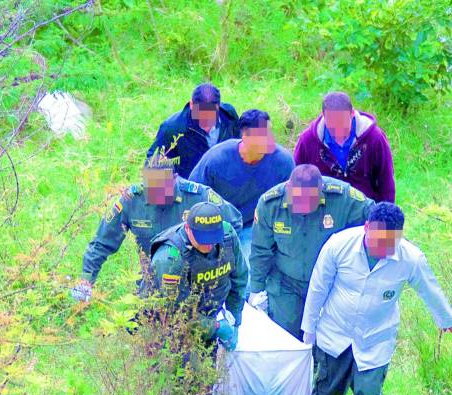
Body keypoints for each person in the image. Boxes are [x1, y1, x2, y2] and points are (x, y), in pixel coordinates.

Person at [301, 203, 452, 395]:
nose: (383, 248)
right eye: (378, 241)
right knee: (326, 391)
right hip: (336, 330)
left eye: (390, 243)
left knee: (369, 394)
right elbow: (318, 287)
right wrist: (309, 330)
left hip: (376, 337)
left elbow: (429, 289)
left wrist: (447, 319)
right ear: (366, 228)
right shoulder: (338, 245)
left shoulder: (410, 258)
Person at [71, 157, 242, 302]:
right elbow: (102, 243)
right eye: (151, 187)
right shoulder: (132, 201)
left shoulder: (198, 196)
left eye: (162, 187)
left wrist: (213, 260)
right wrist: (86, 280)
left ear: (175, 179)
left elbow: (233, 223)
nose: (156, 193)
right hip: (154, 281)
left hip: (201, 282)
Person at [248, 164, 374, 339]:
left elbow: (375, 215)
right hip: (286, 283)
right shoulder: (270, 205)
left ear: (321, 190)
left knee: (327, 340)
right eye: (298, 201)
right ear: (288, 188)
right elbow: (260, 250)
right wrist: (256, 289)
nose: (304, 207)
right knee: (286, 340)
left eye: (310, 201)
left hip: (329, 283)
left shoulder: (342, 197)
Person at [188, 109, 295, 261]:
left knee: (247, 264)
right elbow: (193, 193)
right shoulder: (217, 159)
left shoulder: (283, 162)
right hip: (217, 224)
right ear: (244, 136)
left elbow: (291, 205)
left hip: (255, 226)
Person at [149, 201, 248, 353]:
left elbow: (239, 278)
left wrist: (235, 319)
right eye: (203, 239)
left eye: (213, 238)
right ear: (188, 228)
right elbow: (176, 313)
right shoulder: (170, 259)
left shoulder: (228, 235)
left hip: (211, 313)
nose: (209, 246)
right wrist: (215, 327)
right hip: (175, 327)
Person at [293, 91, 395, 204]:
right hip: (323, 213)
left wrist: (385, 217)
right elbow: (295, 181)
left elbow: (386, 181)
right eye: (332, 128)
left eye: (343, 126)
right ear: (323, 116)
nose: (338, 134)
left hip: (364, 211)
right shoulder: (308, 140)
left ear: (352, 113)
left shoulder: (374, 137)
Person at [145, 83, 240, 179]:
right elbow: (152, 161)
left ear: (218, 107)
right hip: (189, 186)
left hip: (223, 182)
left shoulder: (228, 117)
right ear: (191, 105)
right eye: (200, 114)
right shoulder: (172, 127)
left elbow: (238, 146)